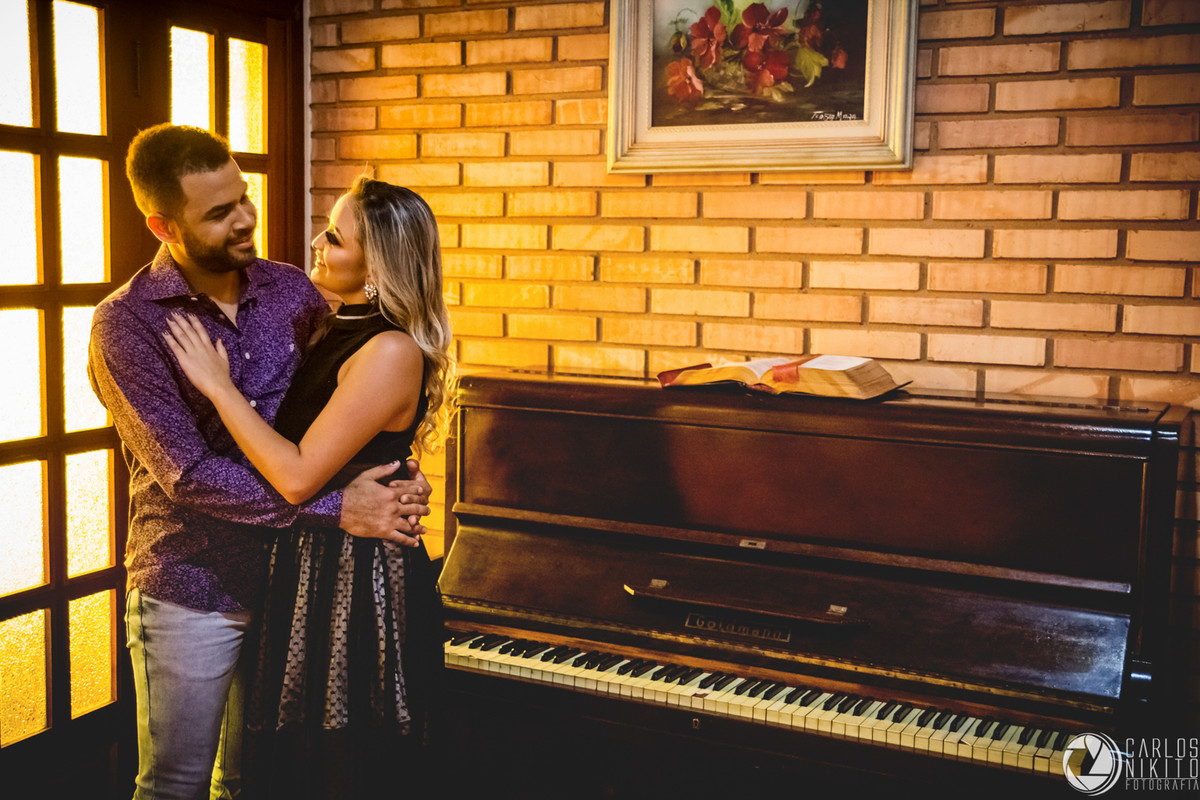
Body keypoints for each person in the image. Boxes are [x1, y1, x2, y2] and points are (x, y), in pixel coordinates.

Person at [88, 124, 433, 800]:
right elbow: (186, 474)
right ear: (163, 226)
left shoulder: (291, 291)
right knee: (175, 786)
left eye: (242, 197)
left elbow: (346, 404)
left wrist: (397, 469)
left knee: (255, 782)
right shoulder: (126, 326)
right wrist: (341, 508)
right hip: (195, 585)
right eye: (219, 212)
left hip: (296, 586)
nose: (246, 218)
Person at [163, 176, 454, 798]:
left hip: (359, 576)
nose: (317, 242)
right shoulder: (330, 325)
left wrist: (219, 386)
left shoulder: (390, 350)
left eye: (336, 237)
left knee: (338, 764)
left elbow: (296, 476)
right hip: (311, 558)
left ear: (375, 266)